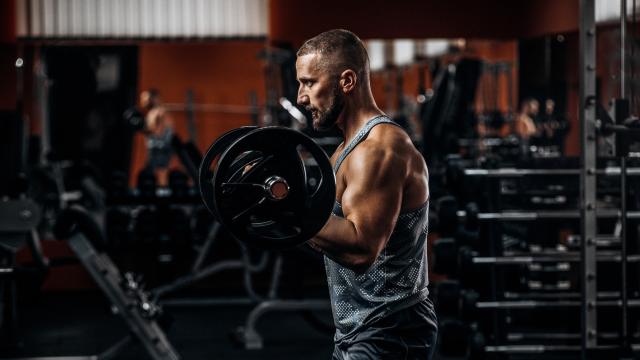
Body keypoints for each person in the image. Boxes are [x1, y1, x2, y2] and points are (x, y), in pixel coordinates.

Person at [296, 29, 437, 359]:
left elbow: (361, 250)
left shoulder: (378, 151)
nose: (301, 97)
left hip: (389, 327)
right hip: (361, 329)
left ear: (346, 81)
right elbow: (323, 231)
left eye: (309, 83)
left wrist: (291, 209)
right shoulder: (347, 150)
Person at [139, 89, 174, 185]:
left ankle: (163, 195)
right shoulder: (152, 112)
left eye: (145, 99)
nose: (143, 101)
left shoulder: (159, 112)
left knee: (161, 173)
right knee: (152, 174)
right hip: (156, 148)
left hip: (160, 148)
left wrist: (142, 128)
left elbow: (160, 131)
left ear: (153, 99)